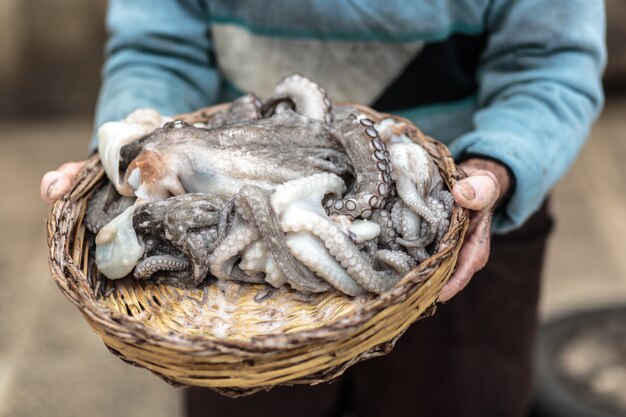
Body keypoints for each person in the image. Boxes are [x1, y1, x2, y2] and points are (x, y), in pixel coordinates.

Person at [40, 1, 606, 416]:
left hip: (461, 224)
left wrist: (497, 169)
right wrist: (130, 149)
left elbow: (549, 62)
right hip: (235, 298)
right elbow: (159, 47)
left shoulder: (436, 204)